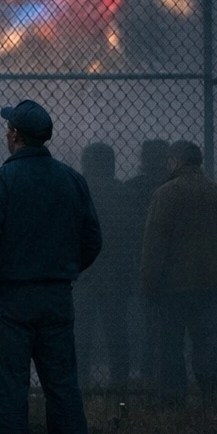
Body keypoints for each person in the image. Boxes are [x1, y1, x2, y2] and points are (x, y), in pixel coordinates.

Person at [0, 100, 101, 434]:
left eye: (9, 128)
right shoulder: (72, 180)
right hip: (57, 297)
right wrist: (65, 271)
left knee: (8, 386)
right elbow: (92, 239)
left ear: (15, 136)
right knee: (62, 385)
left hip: (8, 299)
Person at [139, 140, 217, 400]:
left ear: (175, 161)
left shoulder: (165, 194)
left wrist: (149, 284)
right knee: (208, 341)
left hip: (172, 286)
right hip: (210, 284)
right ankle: (213, 398)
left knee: (170, 344)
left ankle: (174, 400)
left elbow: (155, 244)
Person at [73, 143, 139, 391]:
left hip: (83, 272)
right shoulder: (123, 192)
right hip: (115, 273)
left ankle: (81, 383)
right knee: (117, 333)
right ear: (110, 164)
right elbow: (132, 234)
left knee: (81, 332)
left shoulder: (78, 189)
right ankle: (119, 385)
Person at [122, 139, 170, 380]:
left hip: (138, 260)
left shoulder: (131, 189)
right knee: (167, 323)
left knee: (148, 321)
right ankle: (163, 374)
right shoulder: (172, 186)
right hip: (170, 265)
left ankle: (147, 373)